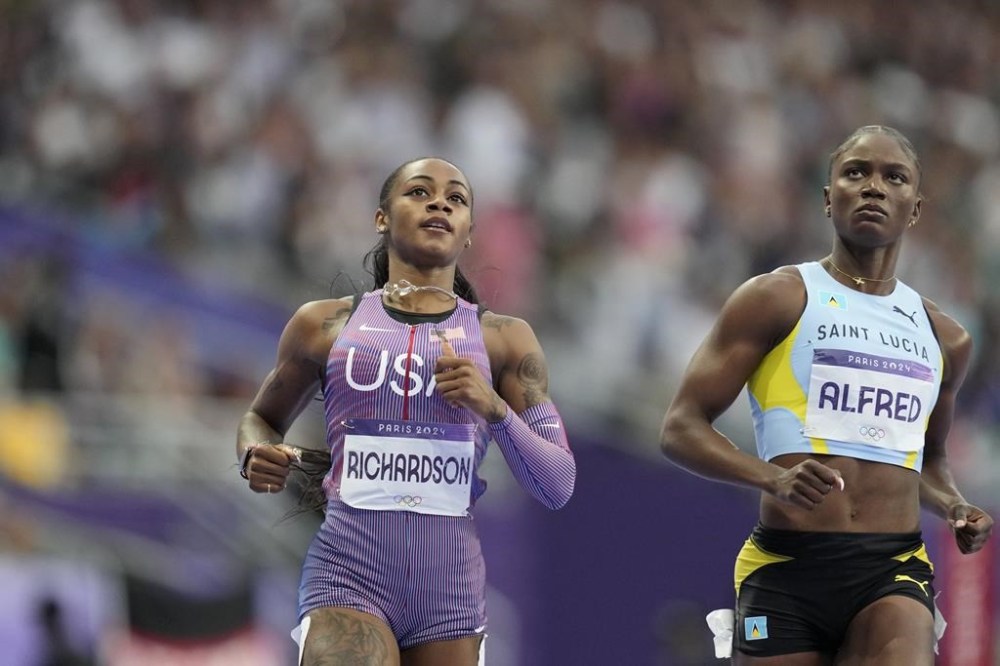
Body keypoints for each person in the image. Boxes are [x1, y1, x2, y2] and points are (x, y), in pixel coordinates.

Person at [659, 125, 993, 665]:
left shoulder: (947, 338)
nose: (874, 187)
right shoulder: (777, 298)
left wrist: (955, 505)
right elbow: (680, 428)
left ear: (914, 209)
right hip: (786, 567)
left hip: (893, 568)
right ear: (827, 198)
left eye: (894, 177)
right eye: (856, 172)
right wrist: (772, 476)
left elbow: (927, 460)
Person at [236, 157, 576, 666]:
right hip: (348, 577)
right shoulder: (324, 326)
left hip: (449, 600)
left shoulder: (504, 339)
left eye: (456, 198)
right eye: (419, 192)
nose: (439, 202)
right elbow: (259, 419)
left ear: (468, 234)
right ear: (381, 218)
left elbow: (558, 484)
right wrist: (254, 452)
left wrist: (495, 408)